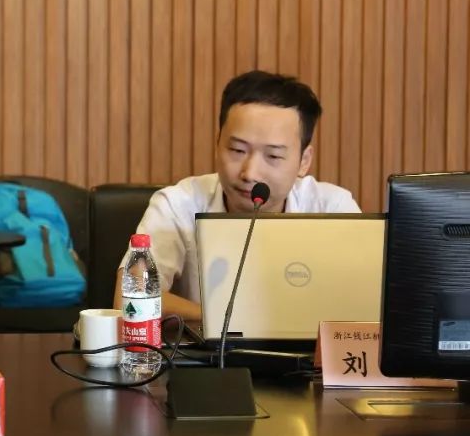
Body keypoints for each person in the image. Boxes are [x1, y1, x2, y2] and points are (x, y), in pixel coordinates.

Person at [115, 70, 361, 322]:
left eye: (273, 156)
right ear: (217, 144)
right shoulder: (178, 204)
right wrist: (229, 321)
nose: (250, 173)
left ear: (304, 161)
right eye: (237, 150)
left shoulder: (333, 208)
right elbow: (130, 298)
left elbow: (367, 301)